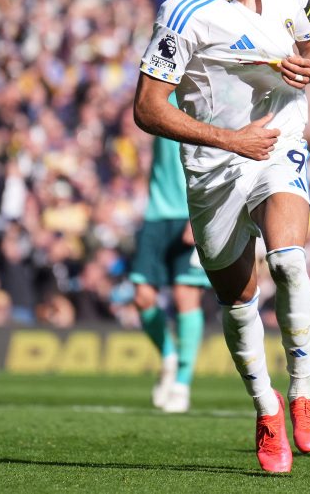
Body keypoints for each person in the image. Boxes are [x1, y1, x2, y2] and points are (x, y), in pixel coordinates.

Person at [133, 0, 310, 474]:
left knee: (289, 260)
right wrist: (228, 140)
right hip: (214, 167)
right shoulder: (183, 12)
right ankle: (267, 409)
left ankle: (303, 393)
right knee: (238, 298)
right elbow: (147, 107)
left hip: (279, 140)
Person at [129, 92, 210, 414]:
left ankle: (182, 383)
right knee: (142, 296)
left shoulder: (204, 91)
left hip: (191, 210)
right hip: (156, 212)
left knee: (185, 295)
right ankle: (169, 356)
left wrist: (201, 212)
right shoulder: (160, 88)